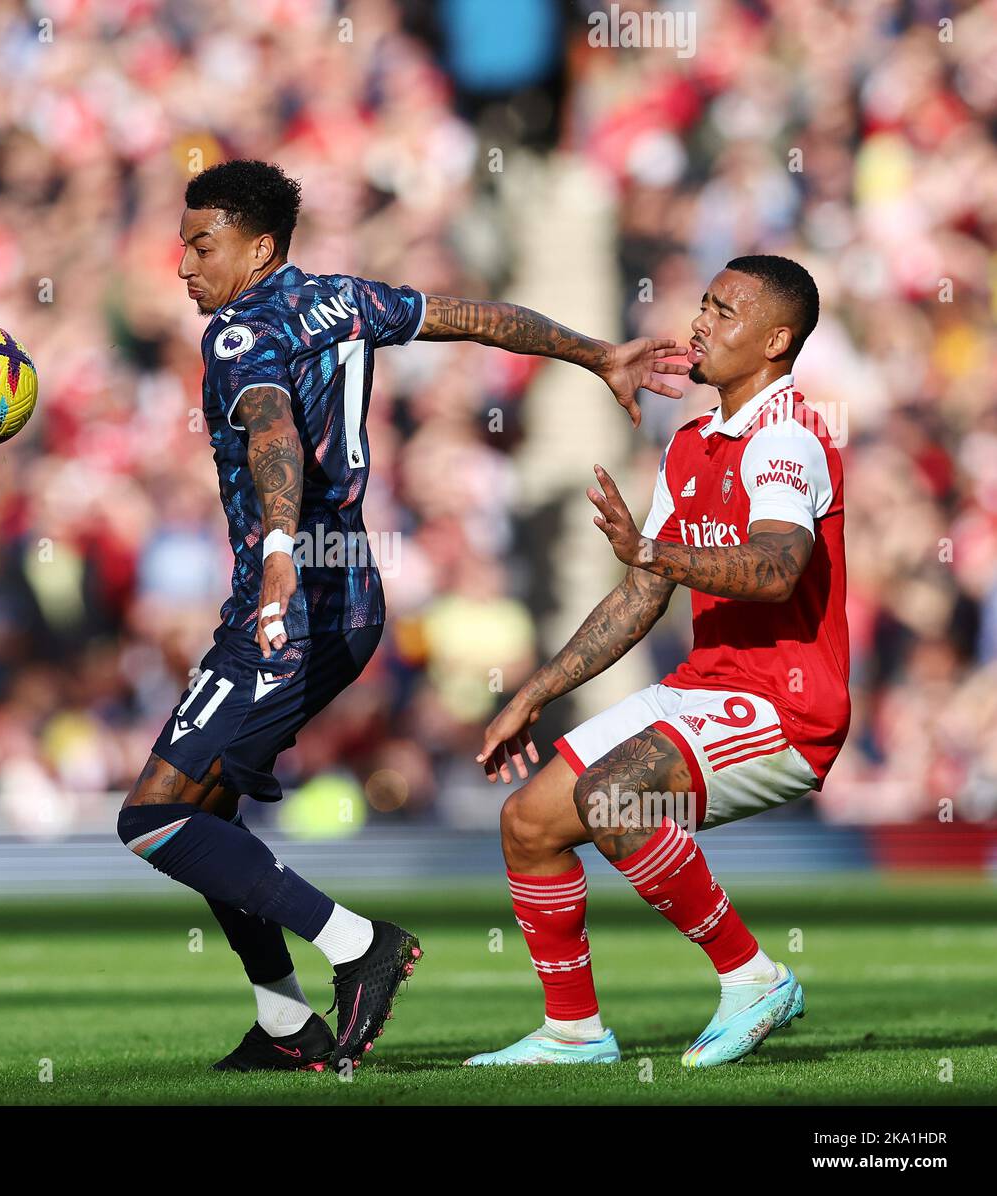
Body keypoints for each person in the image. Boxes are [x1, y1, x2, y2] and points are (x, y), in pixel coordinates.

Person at [117, 158, 689, 1073]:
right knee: (209, 810)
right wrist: (596, 352)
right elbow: (475, 317)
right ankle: (284, 1026)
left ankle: (356, 943)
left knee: (151, 819)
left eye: (201, 244)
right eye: (183, 244)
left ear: (258, 249)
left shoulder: (236, 334)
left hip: (293, 592)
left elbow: (271, 430)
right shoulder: (343, 298)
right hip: (353, 591)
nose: (183, 264)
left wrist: (273, 555)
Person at [470, 255, 849, 1068]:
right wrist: (534, 693)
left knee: (613, 796)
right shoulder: (691, 443)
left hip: (787, 707)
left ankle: (754, 977)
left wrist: (650, 547)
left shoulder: (787, 438)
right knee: (529, 823)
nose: (701, 322)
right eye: (704, 303)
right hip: (703, 691)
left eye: (726, 311)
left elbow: (776, 569)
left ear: (777, 340)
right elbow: (641, 596)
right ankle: (574, 1032)